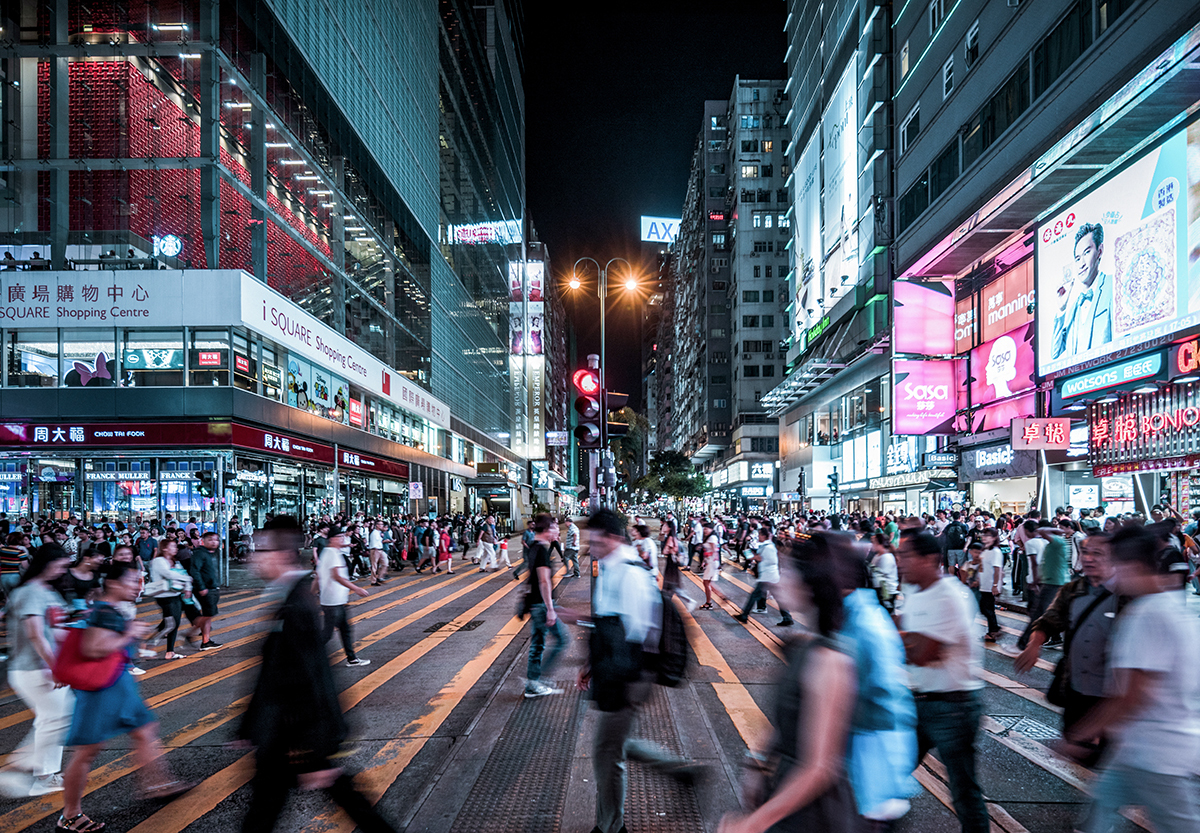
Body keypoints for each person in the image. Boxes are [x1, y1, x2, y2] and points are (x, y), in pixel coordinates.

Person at [239, 517, 397, 833]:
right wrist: (248, 724)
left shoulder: (297, 605)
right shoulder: (287, 596)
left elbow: (310, 676)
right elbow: (275, 672)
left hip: (295, 734)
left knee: (332, 795)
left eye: (261, 550)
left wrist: (311, 748)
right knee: (268, 808)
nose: (252, 557)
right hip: (284, 731)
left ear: (281, 555)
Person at [719, 532, 857, 833]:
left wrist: (753, 824)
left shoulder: (831, 662)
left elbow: (819, 768)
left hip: (813, 814)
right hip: (785, 792)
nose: (780, 579)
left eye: (789, 571)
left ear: (811, 584)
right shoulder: (804, 645)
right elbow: (786, 722)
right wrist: (757, 763)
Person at [1069, 524, 1200, 833]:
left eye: (1113, 563)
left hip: (1156, 754)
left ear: (1129, 565)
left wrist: (1081, 734)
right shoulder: (1173, 607)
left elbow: (1132, 695)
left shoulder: (1147, 615)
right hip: (1137, 748)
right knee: (1098, 812)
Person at [578, 510, 701, 833]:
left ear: (614, 538)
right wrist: (591, 663)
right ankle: (680, 771)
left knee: (607, 750)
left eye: (596, 540)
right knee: (616, 744)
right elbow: (607, 621)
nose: (591, 547)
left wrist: (625, 680)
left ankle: (611, 827)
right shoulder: (609, 566)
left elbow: (639, 632)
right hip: (615, 669)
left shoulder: (629, 572)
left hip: (629, 674)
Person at [59, 562, 193, 832]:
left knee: (145, 731)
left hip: (118, 685)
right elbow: (93, 648)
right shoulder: (104, 611)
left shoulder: (109, 609)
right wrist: (128, 635)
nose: (137, 586)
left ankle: (156, 784)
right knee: (87, 752)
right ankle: (70, 816)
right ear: (113, 584)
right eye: (133, 581)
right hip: (101, 689)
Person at [897, 530, 988, 833]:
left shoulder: (949, 595)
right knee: (891, 775)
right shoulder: (914, 593)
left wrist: (897, 639)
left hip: (954, 708)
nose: (900, 562)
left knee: (964, 792)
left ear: (930, 559)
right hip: (922, 701)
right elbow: (910, 642)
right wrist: (907, 639)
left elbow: (923, 654)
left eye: (906, 556)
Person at [1014, 532, 1120, 764]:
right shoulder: (1073, 590)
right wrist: (1034, 645)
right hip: (1077, 689)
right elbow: (1049, 619)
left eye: (1097, 554)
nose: (1089, 558)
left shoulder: (1127, 596)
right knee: (1078, 750)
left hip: (1112, 695)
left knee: (1110, 759)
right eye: (1085, 552)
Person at [6, 545, 73, 796]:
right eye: (60, 565)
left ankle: (45, 775)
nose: (62, 570)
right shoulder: (30, 592)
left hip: (42, 667)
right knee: (57, 718)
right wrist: (55, 667)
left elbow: (55, 630)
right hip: (33, 668)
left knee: (52, 719)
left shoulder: (47, 592)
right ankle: (22, 767)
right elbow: (35, 634)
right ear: (47, 563)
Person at [1051, 222, 1112, 360]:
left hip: (1109, 373)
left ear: (1100, 251)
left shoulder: (1112, 286)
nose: (1082, 263)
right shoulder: (1074, 308)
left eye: (1087, 253)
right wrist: (1061, 309)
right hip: (1076, 379)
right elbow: (1055, 352)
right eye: (1077, 258)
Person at [523, 514, 568, 698]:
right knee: (560, 641)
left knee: (538, 643)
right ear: (548, 529)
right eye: (556, 528)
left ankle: (534, 681)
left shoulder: (534, 546)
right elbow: (543, 581)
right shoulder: (541, 550)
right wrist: (550, 609)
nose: (558, 531)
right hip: (541, 604)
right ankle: (534, 682)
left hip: (537, 603)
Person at [317, 527, 371, 667]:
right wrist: (356, 588)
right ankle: (304, 657)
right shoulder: (332, 553)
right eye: (339, 536)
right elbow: (336, 576)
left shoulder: (330, 553)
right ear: (332, 539)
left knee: (343, 630)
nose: (342, 539)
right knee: (328, 634)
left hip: (334, 600)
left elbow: (318, 576)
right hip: (333, 601)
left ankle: (351, 658)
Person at [734, 526, 793, 627]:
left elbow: (765, 559)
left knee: (754, 596)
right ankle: (787, 617)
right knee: (778, 598)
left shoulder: (768, 547)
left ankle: (744, 615)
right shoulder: (766, 545)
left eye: (759, 535)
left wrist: (752, 556)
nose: (758, 537)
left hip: (768, 577)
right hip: (770, 576)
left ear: (764, 536)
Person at [147, 539, 196, 659]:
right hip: (163, 596)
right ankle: (150, 643)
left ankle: (170, 651)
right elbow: (169, 574)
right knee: (170, 623)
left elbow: (183, 574)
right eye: (173, 546)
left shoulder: (175, 561)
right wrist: (188, 579)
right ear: (164, 548)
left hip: (175, 595)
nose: (175, 549)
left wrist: (188, 587)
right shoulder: (159, 561)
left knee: (173, 623)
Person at [190, 531, 222, 650]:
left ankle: (205, 640)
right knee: (208, 615)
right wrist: (201, 587)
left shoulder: (212, 553)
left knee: (208, 615)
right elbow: (195, 571)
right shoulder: (199, 553)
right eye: (210, 540)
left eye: (216, 540)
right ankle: (192, 635)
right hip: (206, 589)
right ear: (203, 540)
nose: (214, 542)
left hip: (212, 588)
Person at [977, 529, 1004, 642]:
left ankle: (993, 632)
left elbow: (997, 569)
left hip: (989, 585)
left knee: (987, 609)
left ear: (994, 538)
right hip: (983, 584)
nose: (984, 537)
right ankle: (995, 628)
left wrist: (995, 585)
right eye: (984, 535)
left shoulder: (996, 552)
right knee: (985, 609)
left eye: (987, 535)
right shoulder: (984, 550)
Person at [699, 522, 727, 610]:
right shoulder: (710, 537)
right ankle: (721, 597)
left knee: (706, 582)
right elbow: (708, 551)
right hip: (710, 562)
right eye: (704, 529)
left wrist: (715, 562)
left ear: (711, 529)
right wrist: (704, 561)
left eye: (706, 529)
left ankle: (709, 603)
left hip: (712, 563)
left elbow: (714, 550)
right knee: (708, 583)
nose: (705, 531)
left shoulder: (712, 538)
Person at [368, 520, 387, 585]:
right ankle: (373, 581)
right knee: (374, 565)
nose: (382, 526)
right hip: (375, 550)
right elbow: (373, 543)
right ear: (377, 525)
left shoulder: (380, 533)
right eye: (381, 524)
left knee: (385, 563)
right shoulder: (374, 533)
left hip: (380, 549)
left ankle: (380, 576)